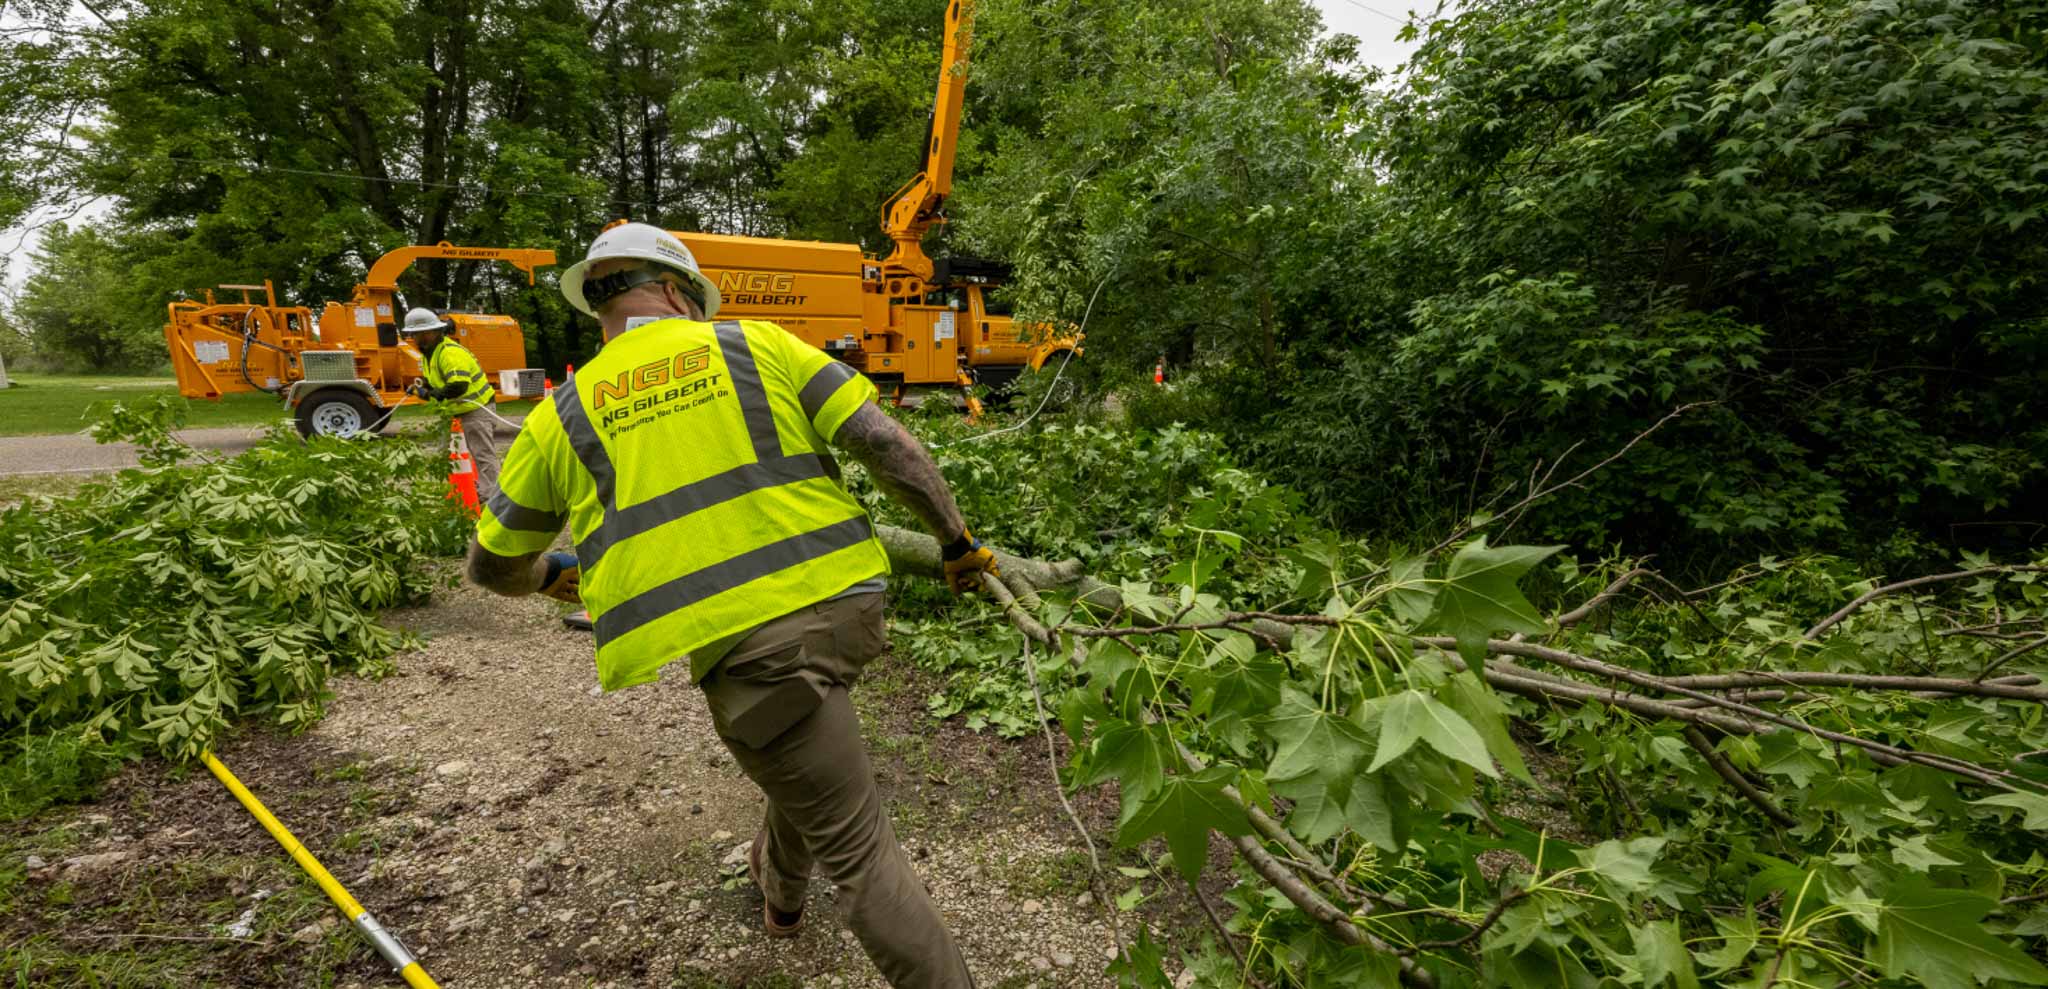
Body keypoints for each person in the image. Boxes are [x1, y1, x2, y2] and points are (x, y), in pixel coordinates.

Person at [464, 222, 997, 989]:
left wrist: (549, 576)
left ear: (600, 306)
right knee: (811, 756)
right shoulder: (758, 345)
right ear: (679, 290)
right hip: (848, 608)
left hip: (755, 659)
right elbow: (886, 443)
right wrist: (955, 542)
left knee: (860, 850)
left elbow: (489, 566)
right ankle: (779, 895)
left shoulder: (564, 412)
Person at [401, 307, 502, 493]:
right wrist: (423, 384)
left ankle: (493, 495)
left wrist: (426, 395)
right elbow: (438, 379)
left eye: (416, 334)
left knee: (482, 453)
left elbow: (458, 386)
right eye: (412, 334)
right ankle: (461, 487)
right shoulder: (430, 354)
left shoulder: (450, 353)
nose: (413, 339)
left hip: (475, 409)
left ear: (429, 333)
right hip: (455, 411)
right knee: (446, 451)